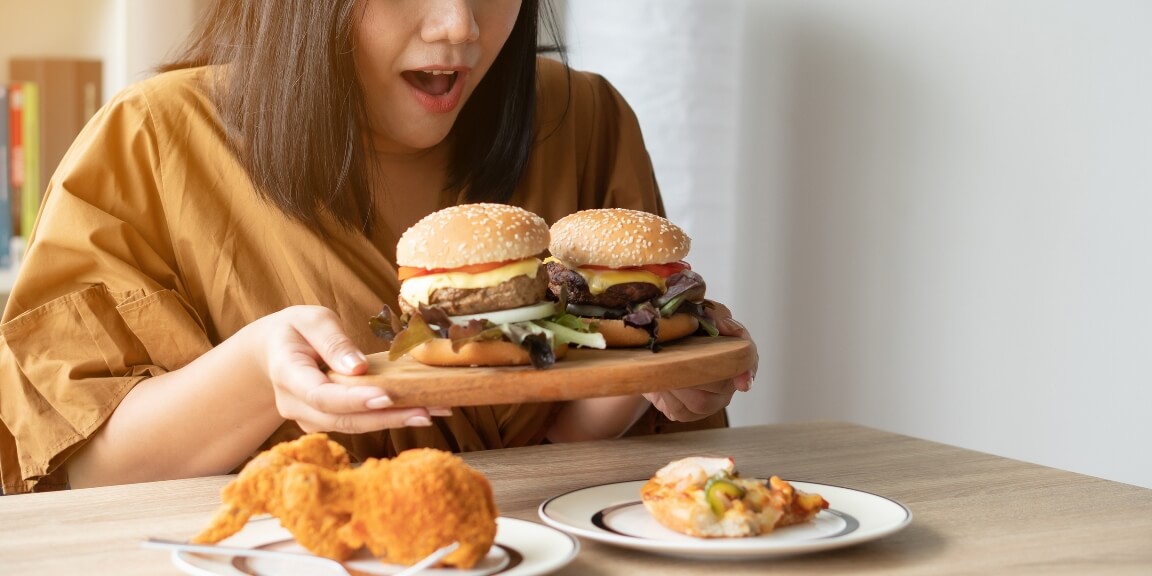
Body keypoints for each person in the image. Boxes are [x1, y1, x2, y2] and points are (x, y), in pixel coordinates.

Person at [0, 0, 757, 495]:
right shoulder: (153, 138)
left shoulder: (585, 117)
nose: (458, 26)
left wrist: (639, 375)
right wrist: (261, 373)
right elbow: (82, 469)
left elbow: (580, 454)